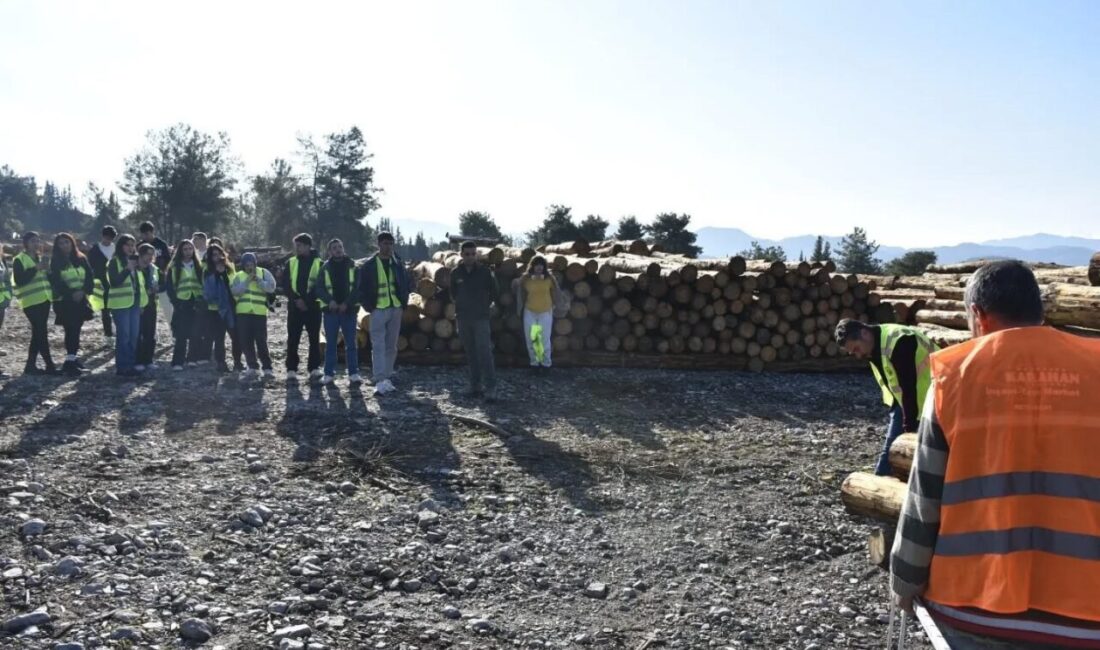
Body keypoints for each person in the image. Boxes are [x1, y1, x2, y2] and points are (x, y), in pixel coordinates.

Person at [890, 261, 1100, 648]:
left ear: (977, 316)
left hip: (971, 607)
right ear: (1040, 311)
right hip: (1087, 616)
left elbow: (924, 499)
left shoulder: (953, 377)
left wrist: (904, 580)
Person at [836, 319, 938, 476]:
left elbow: (908, 386)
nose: (858, 355)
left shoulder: (899, 340)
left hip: (938, 397)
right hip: (906, 402)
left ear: (864, 333)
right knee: (890, 453)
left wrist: (908, 430)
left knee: (931, 453)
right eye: (853, 352)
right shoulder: (871, 347)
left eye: (856, 349)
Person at [358, 231, 409, 395]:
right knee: (378, 344)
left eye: (390, 243)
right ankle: (379, 378)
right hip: (378, 309)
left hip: (395, 308)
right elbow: (361, 288)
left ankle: (387, 376)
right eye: (385, 243)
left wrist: (403, 303)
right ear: (379, 244)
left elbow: (407, 283)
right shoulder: (369, 265)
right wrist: (368, 307)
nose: (388, 246)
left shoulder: (398, 263)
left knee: (391, 345)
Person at [452, 241, 498, 401]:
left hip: (481, 318)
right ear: (461, 255)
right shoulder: (455, 273)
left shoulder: (485, 272)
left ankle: (491, 387)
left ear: (476, 254)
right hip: (463, 317)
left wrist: (485, 305)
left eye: (473, 254)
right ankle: (475, 385)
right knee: (470, 352)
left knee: (484, 352)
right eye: (467, 254)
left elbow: (494, 291)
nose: (470, 257)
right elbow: (453, 293)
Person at [315, 238, 362, 386]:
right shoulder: (324, 268)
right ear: (330, 251)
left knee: (351, 344)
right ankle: (329, 374)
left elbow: (358, 289)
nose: (338, 249)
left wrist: (347, 303)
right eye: (334, 248)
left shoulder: (354, 266)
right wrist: (331, 302)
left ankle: (353, 373)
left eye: (340, 247)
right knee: (330, 345)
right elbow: (319, 289)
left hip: (349, 311)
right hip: (331, 312)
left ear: (343, 248)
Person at [13, 231, 59, 375]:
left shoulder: (40, 258)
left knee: (38, 333)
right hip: (30, 301)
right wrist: (36, 268)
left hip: (44, 299)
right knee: (41, 332)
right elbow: (20, 280)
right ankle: (49, 365)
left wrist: (49, 271)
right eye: (33, 241)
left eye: (38, 241)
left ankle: (30, 365)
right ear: (25, 243)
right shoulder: (19, 259)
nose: (36, 243)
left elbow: (47, 279)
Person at [48, 233, 94, 376]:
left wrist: (83, 291)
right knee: (70, 329)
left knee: (77, 329)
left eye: (67, 242)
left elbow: (90, 276)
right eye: (61, 243)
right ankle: (69, 361)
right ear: (57, 246)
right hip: (65, 301)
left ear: (72, 243)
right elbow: (56, 282)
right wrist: (71, 293)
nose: (64, 245)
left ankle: (72, 358)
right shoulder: (55, 261)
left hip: (80, 300)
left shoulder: (81, 258)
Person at [280, 233, 323, 382]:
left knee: (314, 338)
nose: (296, 248)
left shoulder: (320, 263)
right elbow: (285, 284)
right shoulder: (291, 262)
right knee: (293, 338)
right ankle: (291, 368)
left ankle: (314, 368)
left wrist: (307, 301)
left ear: (307, 246)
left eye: (299, 245)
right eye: (295, 245)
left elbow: (321, 285)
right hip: (294, 307)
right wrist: (297, 299)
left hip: (314, 308)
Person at [230, 252, 276, 380]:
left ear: (255, 263)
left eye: (251, 264)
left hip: (259, 313)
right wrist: (247, 281)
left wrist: (259, 281)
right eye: (246, 264)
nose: (249, 266)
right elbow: (235, 291)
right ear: (243, 265)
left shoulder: (263, 272)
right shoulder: (238, 276)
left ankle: (267, 367)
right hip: (243, 314)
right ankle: (252, 366)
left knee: (261, 341)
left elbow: (271, 288)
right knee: (246, 341)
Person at [513, 255, 561, 373]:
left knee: (544, 339)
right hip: (530, 312)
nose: (539, 267)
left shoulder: (549, 279)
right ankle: (534, 364)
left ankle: (546, 364)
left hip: (545, 312)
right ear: (532, 266)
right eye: (536, 264)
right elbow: (519, 290)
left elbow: (556, 292)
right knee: (533, 339)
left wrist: (555, 305)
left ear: (544, 266)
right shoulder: (526, 279)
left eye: (541, 265)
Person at [106, 234, 143, 377]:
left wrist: (141, 303)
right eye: (128, 244)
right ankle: (122, 367)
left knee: (134, 335)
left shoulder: (136, 262)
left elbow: (139, 284)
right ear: (121, 246)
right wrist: (128, 269)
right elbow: (114, 282)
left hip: (134, 303)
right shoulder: (114, 262)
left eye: (133, 245)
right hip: (120, 304)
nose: (131, 248)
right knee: (124, 336)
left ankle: (131, 364)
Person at [166, 239, 204, 370]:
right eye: (185, 249)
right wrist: (175, 302)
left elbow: (203, 284)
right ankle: (177, 362)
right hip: (182, 302)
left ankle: (192, 358)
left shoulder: (199, 266)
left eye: (190, 249)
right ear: (180, 251)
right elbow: (170, 287)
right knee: (181, 333)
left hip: (196, 301)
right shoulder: (174, 267)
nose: (188, 252)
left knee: (196, 331)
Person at [201, 243, 237, 374]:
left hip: (231, 307)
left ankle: (237, 361)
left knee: (235, 336)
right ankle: (221, 363)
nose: (216, 257)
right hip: (215, 310)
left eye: (218, 254)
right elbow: (208, 292)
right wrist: (217, 274)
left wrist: (224, 275)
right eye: (213, 255)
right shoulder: (207, 271)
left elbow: (233, 286)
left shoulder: (230, 268)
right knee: (219, 338)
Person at [86, 225, 117, 340]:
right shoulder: (95, 249)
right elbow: (90, 267)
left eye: (111, 238)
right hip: (102, 283)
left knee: (117, 309)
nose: (108, 240)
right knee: (105, 310)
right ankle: (108, 334)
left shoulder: (116, 249)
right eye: (107, 237)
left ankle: (116, 331)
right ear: (103, 236)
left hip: (115, 282)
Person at [139, 221, 172, 324]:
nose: (146, 236)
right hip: (146, 283)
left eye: (147, 233)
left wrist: (165, 275)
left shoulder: (161, 244)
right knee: (148, 311)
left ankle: (174, 333)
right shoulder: (140, 246)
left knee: (168, 310)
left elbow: (168, 261)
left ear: (153, 232)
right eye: (143, 234)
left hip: (161, 281)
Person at [135, 243, 160, 371]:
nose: (150, 257)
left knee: (150, 333)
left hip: (151, 304)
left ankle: (148, 359)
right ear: (141, 254)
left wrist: (156, 289)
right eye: (147, 254)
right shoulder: (135, 268)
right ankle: (138, 360)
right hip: (138, 305)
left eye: (152, 254)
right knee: (138, 334)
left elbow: (159, 283)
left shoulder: (153, 269)